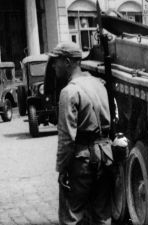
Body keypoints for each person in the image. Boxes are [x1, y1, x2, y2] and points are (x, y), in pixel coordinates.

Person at [51, 41, 114, 225]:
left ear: (68, 61)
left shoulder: (69, 92)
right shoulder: (99, 84)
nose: (54, 65)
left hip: (82, 162)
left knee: (72, 216)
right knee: (102, 216)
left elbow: (66, 139)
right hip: (105, 157)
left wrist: (62, 169)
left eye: (57, 60)